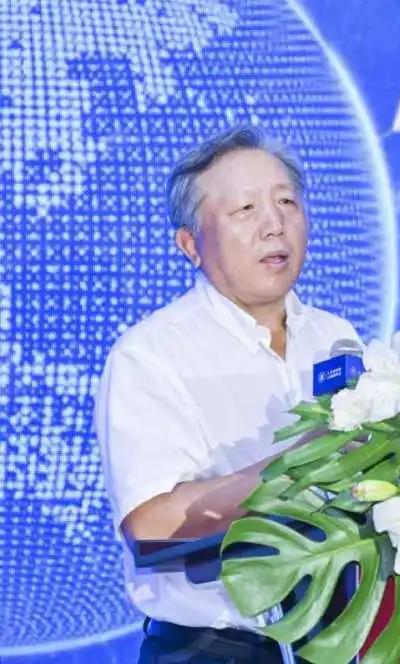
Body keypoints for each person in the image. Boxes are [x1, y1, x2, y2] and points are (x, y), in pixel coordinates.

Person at [95, 124, 360, 663]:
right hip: (213, 648)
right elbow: (151, 525)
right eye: (245, 210)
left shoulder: (335, 337)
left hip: (336, 642)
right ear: (190, 245)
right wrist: (301, 464)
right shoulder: (150, 354)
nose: (274, 224)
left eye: (286, 202)